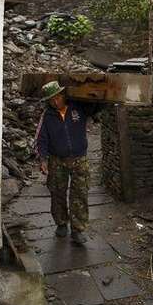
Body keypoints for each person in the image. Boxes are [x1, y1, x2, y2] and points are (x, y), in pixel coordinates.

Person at [35, 80, 99, 245]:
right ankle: (61, 223)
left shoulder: (78, 108)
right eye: (51, 100)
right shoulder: (47, 116)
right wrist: (43, 159)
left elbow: (98, 106)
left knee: (80, 194)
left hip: (80, 159)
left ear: (62, 95)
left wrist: (93, 94)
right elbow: (41, 139)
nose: (55, 102)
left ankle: (78, 230)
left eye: (57, 97)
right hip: (57, 160)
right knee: (57, 193)